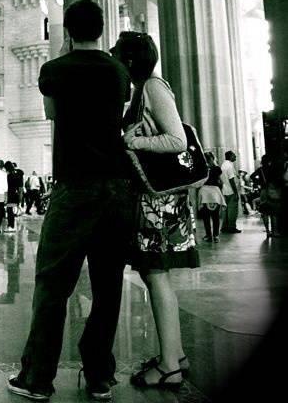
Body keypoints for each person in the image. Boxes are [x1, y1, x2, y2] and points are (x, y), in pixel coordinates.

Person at [9, 0, 134, 402]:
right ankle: (99, 376)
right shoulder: (118, 71)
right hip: (116, 188)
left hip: (75, 185)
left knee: (52, 284)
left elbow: (51, 113)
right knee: (108, 285)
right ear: (102, 29)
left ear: (66, 31)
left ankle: (37, 378)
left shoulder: (55, 70)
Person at [113, 31, 199, 392]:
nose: (114, 61)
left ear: (130, 61)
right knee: (154, 277)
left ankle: (169, 367)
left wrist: (135, 141)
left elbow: (178, 139)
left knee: (156, 276)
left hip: (160, 203)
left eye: (118, 56)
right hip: (152, 200)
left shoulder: (152, 87)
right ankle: (175, 355)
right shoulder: (141, 90)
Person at [198, 152, 226, 242]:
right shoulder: (217, 168)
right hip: (215, 192)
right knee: (215, 216)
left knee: (206, 216)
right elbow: (221, 181)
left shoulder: (202, 168)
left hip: (205, 192)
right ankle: (216, 236)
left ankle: (209, 236)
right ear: (213, 158)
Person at [221, 150, 242, 233]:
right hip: (231, 191)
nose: (235, 156)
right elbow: (231, 180)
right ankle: (232, 227)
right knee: (232, 210)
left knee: (225, 210)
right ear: (230, 156)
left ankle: (224, 227)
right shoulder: (229, 166)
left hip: (225, 190)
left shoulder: (223, 165)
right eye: (234, 155)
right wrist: (236, 192)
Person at [4, 161, 21, 233]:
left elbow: (7, 186)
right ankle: (11, 226)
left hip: (10, 195)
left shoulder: (9, 176)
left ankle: (11, 226)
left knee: (10, 211)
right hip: (14, 194)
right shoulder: (15, 175)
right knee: (10, 210)